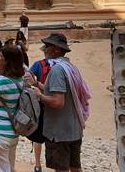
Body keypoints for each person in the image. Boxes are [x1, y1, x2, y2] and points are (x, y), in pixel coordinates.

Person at [32, 34, 91, 172]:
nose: (44, 49)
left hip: (59, 133)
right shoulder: (71, 67)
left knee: (61, 169)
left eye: (48, 46)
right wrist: (37, 84)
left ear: (57, 50)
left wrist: (39, 95)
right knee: (75, 167)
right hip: (73, 129)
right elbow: (63, 93)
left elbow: (58, 102)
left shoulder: (57, 70)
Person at [0, 45, 24, 172]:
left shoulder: (2, 81)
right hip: (12, 132)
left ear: (7, 61)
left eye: (1, 56)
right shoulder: (19, 80)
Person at [29, 45, 56, 172]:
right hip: (54, 103)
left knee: (38, 135)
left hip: (39, 103)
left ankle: (38, 164)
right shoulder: (60, 66)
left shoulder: (37, 65)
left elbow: (28, 78)